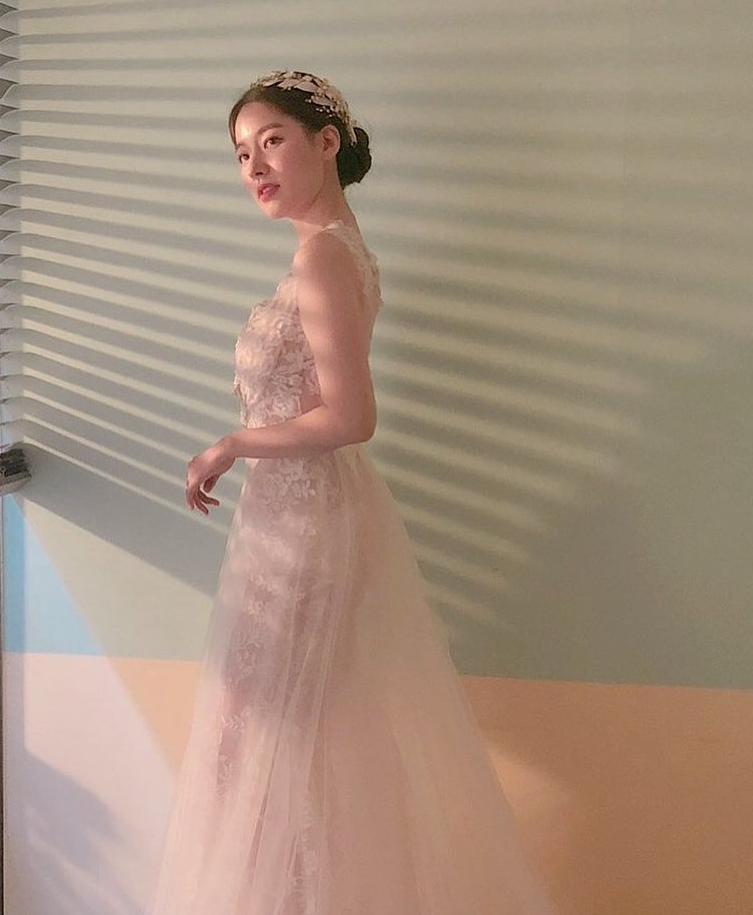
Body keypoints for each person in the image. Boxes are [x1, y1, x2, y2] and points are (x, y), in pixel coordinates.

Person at [148, 70, 556, 915]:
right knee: (291, 749)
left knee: (263, 748)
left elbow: (351, 416)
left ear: (326, 141)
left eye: (272, 141)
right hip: (289, 517)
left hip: (303, 523)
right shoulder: (333, 250)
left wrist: (233, 442)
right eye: (241, 154)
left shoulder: (325, 255)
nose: (255, 167)